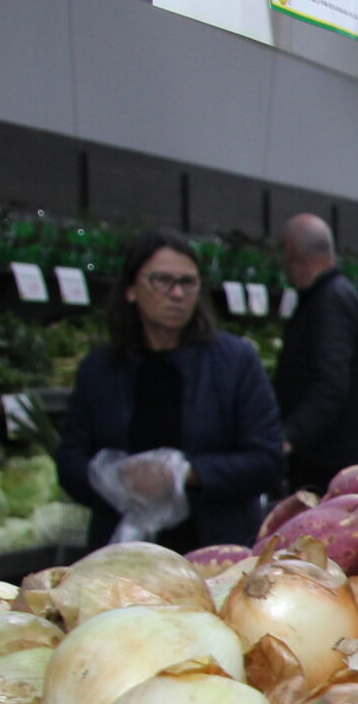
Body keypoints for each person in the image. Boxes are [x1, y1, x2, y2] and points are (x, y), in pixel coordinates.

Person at [57, 228, 285, 550]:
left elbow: (267, 461)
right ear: (131, 290)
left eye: (188, 283)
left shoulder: (236, 362)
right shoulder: (99, 369)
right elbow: (69, 461)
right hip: (123, 552)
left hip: (214, 549)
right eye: (162, 281)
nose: (177, 293)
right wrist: (120, 479)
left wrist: (187, 474)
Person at [272, 214, 358, 493]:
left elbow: (330, 383)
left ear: (290, 251)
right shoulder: (335, 295)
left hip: (329, 465)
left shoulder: (329, 301)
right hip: (333, 459)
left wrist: (290, 437)